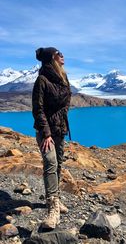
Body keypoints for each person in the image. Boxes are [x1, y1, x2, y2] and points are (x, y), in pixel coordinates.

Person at [32, 47, 72, 229]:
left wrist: (60, 118)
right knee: (50, 163)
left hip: (60, 129)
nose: (62, 55)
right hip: (45, 131)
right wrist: (46, 132)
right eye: (59, 53)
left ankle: (57, 198)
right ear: (51, 58)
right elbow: (38, 109)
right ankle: (52, 208)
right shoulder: (42, 80)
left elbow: (67, 101)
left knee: (59, 164)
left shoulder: (63, 78)